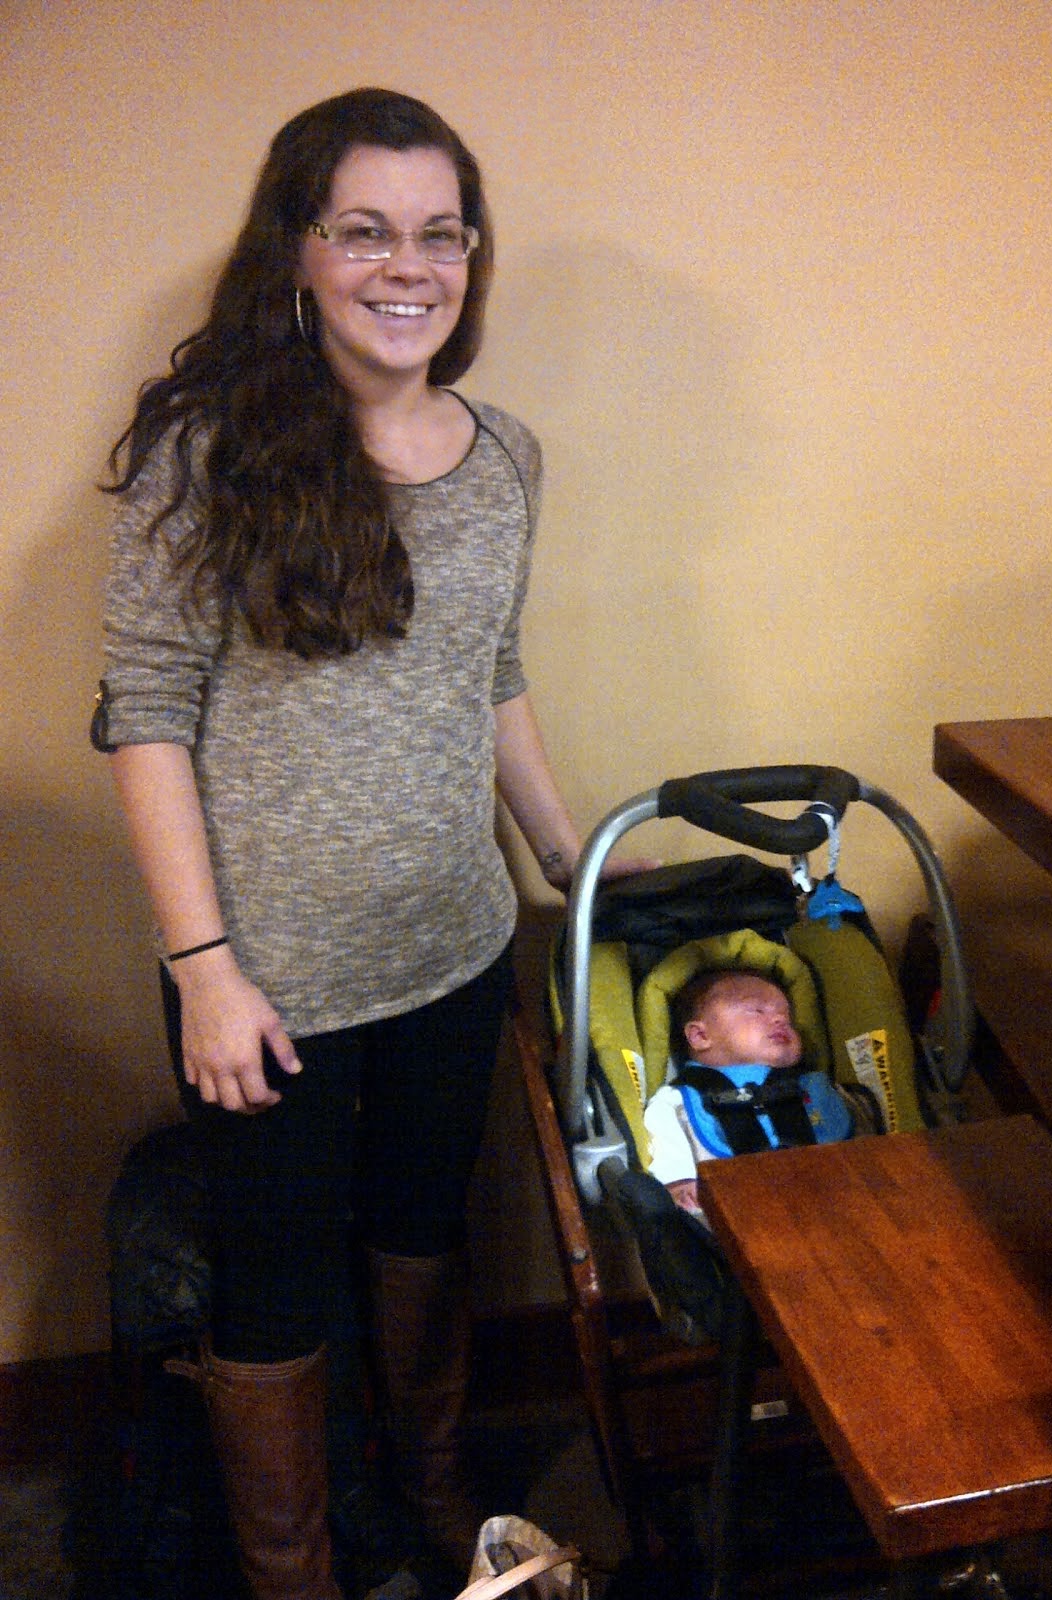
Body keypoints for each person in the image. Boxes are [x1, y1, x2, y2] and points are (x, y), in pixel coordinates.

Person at [95, 87, 645, 1600]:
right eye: (366, 231)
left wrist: (569, 858)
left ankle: (433, 1496)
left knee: (422, 1234)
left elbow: (492, 673)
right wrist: (204, 970)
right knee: (274, 1288)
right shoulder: (204, 452)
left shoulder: (507, 455)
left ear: (471, 256)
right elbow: (146, 713)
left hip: (453, 949)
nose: (410, 267)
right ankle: (296, 1573)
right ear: (299, 249)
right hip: (266, 981)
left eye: (441, 235)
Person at [643, 969, 868, 1216]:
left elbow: (867, 1145)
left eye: (786, 1016)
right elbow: (664, 1137)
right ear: (700, 1035)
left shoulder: (818, 1088)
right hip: (738, 1211)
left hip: (837, 1206)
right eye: (757, 1011)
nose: (780, 1020)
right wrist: (679, 1182)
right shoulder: (676, 1101)